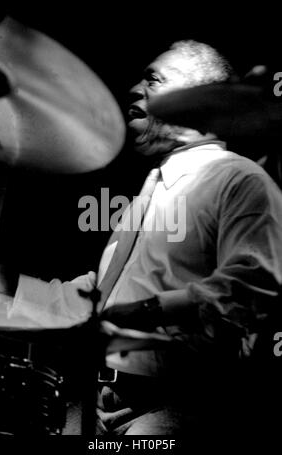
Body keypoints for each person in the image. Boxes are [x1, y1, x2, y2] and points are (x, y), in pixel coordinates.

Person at [74, 40, 282, 435]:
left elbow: (254, 289)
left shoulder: (241, 180)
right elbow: (113, 291)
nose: (134, 89)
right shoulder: (153, 187)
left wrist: (150, 310)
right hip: (102, 399)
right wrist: (19, 296)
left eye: (153, 79)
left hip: (177, 405)